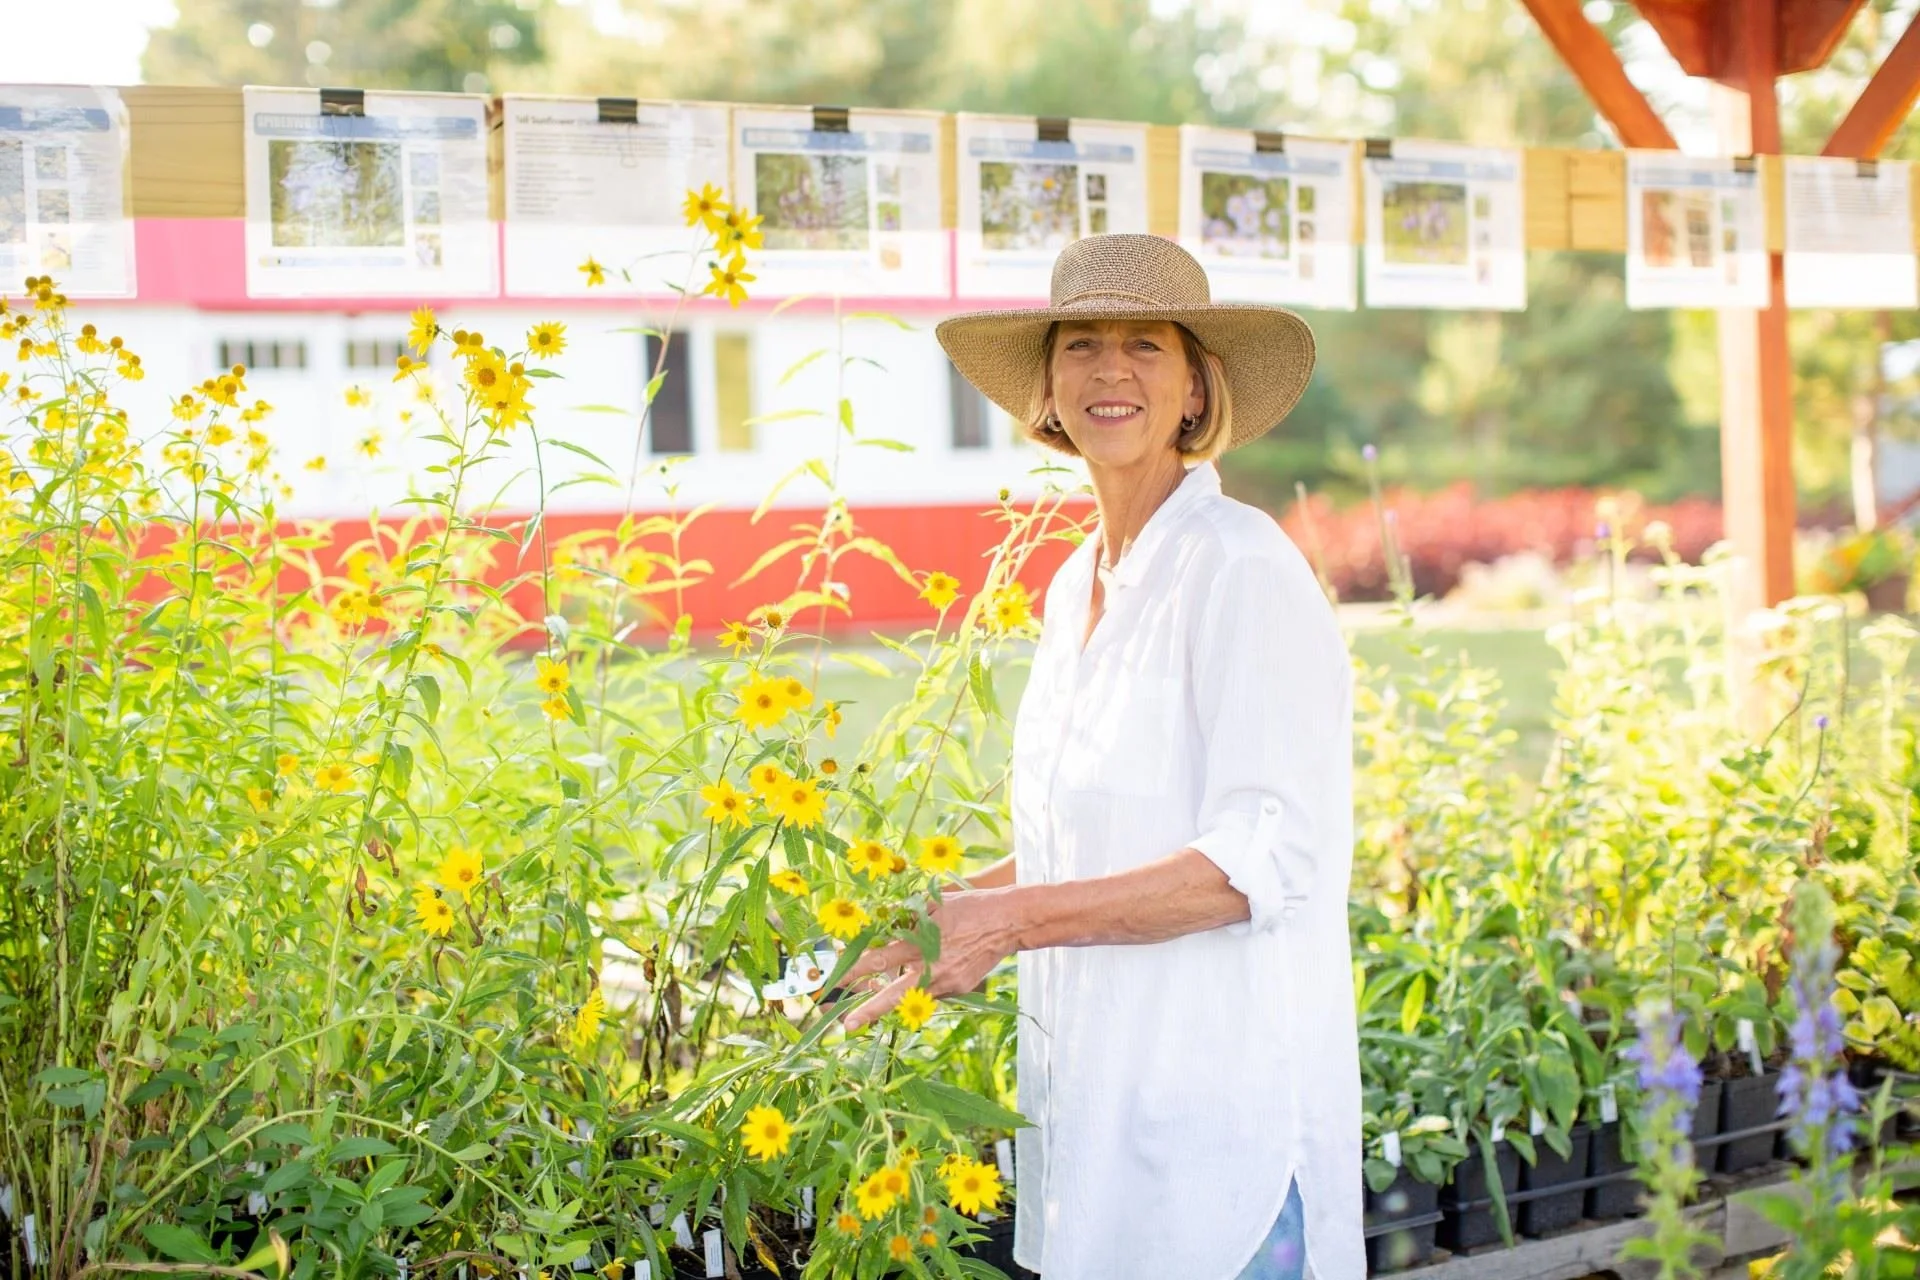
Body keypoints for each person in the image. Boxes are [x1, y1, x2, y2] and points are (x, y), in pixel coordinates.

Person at [840, 233, 1362, 1279]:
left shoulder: (1241, 567)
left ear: (1195, 388)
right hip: (1099, 1126)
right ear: (1047, 384)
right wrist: (930, 912)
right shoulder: (1078, 580)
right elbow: (1085, 840)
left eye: (1144, 345)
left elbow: (1261, 860)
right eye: (1080, 345)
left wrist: (1004, 923)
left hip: (1225, 1150)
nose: (1109, 371)